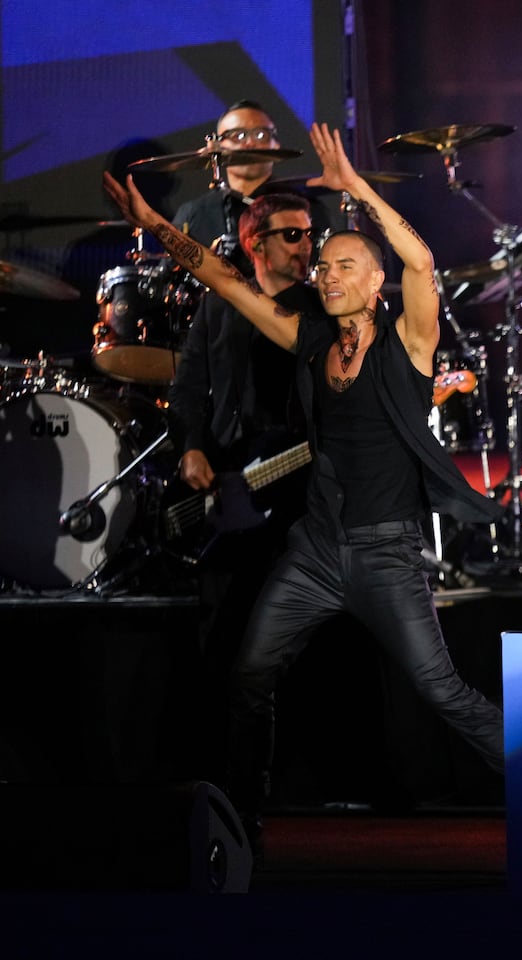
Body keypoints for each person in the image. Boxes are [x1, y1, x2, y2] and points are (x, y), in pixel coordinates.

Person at [103, 121, 506, 857]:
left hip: (386, 553)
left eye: (343, 263)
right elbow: (221, 278)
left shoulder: (409, 346)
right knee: (249, 677)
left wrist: (355, 189)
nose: (326, 270)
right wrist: (155, 224)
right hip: (315, 551)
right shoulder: (312, 339)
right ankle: (242, 827)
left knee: (441, 689)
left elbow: (422, 261)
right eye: (324, 263)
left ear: (374, 281)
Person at [165, 191, 320, 784]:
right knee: (222, 640)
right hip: (231, 492)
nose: (306, 245)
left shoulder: (318, 310)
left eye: (309, 234)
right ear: (256, 243)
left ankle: (295, 784)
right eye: (292, 235)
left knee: (286, 647)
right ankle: (217, 783)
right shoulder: (218, 307)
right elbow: (188, 389)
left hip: (299, 495)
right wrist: (193, 448)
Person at [171, 99, 331, 264]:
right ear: (215, 147)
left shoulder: (305, 209)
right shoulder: (194, 213)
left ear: (276, 145)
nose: (250, 143)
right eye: (238, 136)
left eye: (261, 135)